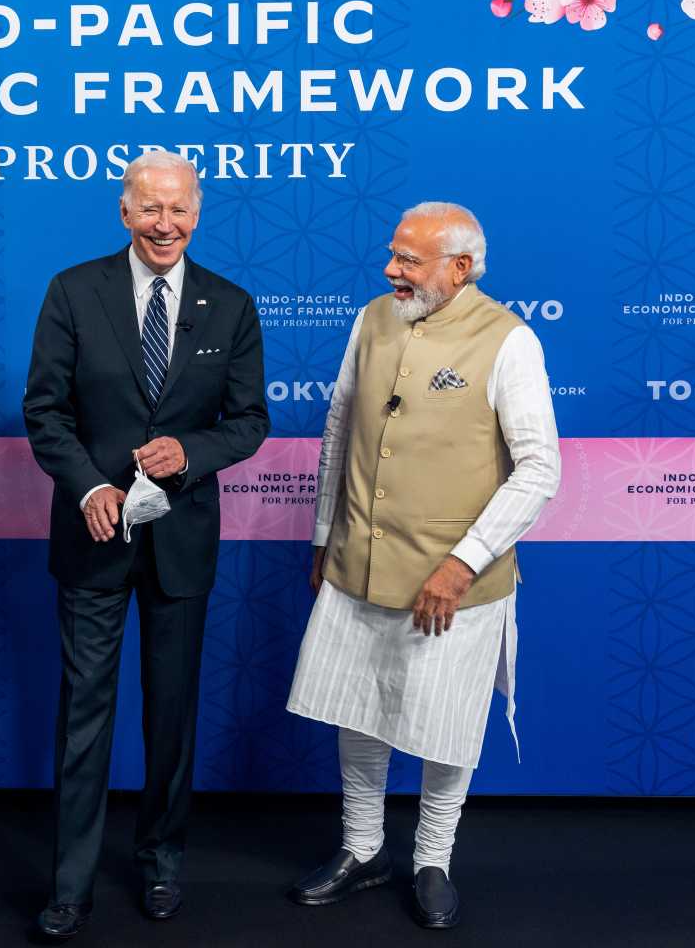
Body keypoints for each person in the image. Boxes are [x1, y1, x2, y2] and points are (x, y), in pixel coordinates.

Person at [286, 202, 560, 929]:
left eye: (410, 259)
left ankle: (432, 858)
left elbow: (538, 469)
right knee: (356, 707)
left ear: (461, 267)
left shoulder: (510, 341)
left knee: (447, 725)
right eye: (393, 255)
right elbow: (340, 423)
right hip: (356, 561)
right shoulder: (374, 318)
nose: (391, 270)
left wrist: (462, 565)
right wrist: (322, 532)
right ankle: (362, 847)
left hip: (453, 583)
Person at [23, 151, 269, 940]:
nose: (166, 224)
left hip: (182, 543)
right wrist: (90, 486)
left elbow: (249, 420)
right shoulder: (73, 291)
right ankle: (71, 883)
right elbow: (45, 412)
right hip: (94, 537)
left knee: (172, 715)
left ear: (198, 212)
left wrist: (192, 454)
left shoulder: (229, 305)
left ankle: (162, 858)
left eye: (181, 209)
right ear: (123, 212)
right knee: (84, 715)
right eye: (150, 209)